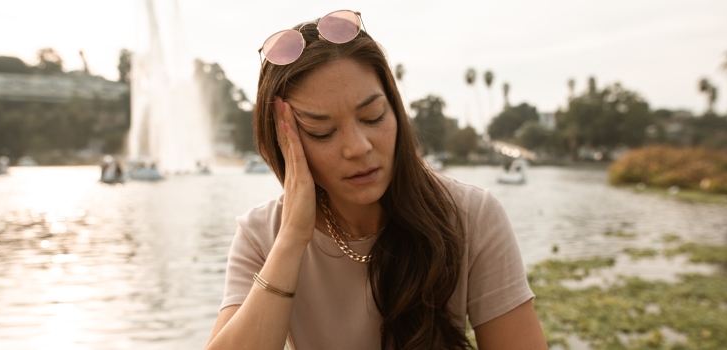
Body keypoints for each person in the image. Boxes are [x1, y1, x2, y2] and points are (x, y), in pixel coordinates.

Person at [206, 10, 546, 350]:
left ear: (395, 108)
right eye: (322, 132)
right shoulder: (262, 236)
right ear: (285, 142)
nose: (358, 147)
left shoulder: (471, 216)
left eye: (373, 116)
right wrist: (292, 238)